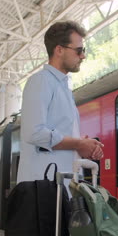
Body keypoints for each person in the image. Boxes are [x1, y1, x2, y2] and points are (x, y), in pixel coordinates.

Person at [17, 21, 103, 183]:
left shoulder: (63, 88)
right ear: (59, 50)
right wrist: (78, 143)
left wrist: (84, 145)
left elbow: (60, 136)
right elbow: (34, 133)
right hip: (45, 187)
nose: (83, 56)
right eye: (79, 50)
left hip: (62, 186)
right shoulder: (40, 81)